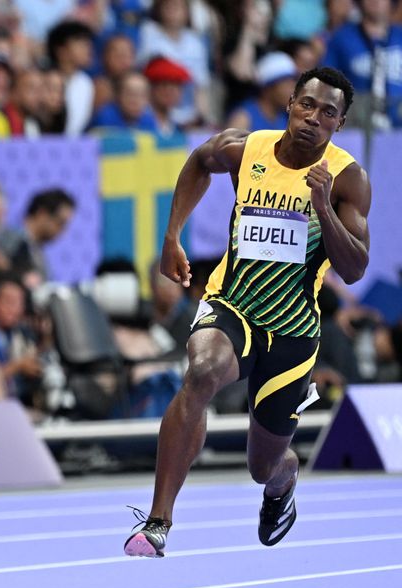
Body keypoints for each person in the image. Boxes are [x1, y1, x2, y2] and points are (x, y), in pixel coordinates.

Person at [124, 67, 371, 558]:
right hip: (232, 305)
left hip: (293, 331)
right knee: (203, 370)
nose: (312, 119)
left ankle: (285, 480)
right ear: (290, 104)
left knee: (263, 464)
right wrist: (172, 235)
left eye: (327, 113)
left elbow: (355, 268)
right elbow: (199, 160)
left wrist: (323, 207)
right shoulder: (247, 148)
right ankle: (158, 521)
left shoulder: (346, 179)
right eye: (306, 105)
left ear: (338, 124)